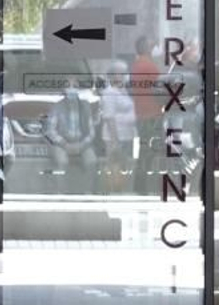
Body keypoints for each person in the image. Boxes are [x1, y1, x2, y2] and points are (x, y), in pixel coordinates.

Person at [44, 78, 97, 191]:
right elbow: (50, 131)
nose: (72, 89)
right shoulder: (57, 107)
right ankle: (61, 193)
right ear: (64, 89)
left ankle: (88, 192)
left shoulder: (85, 106)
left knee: (92, 161)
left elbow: (91, 132)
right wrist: (64, 144)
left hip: (82, 144)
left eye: (75, 86)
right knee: (62, 162)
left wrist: (82, 144)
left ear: (78, 89)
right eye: (69, 86)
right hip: (62, 144)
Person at [98, 59, 137, 191]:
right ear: (112, 75)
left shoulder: (123, 91)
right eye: (120, 73)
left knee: (123, 165)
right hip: (114, 137)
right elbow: (109, 118)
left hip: (127, 135)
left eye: (124, 73)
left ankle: (121, 189)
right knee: (114, 165)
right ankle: (111, 190)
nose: (123, 76)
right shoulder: (109, 92)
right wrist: (115, 140)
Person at [131, 36, 163, 192]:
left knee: (144, 150)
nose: (155, 47)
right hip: (151, 114)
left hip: (142, 112)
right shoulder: (148, 66)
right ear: (145, 48)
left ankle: (140, 184)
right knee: (148, 151)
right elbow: (159, 89)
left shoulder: (137, 65)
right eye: (152, 45)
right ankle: (143, 185)